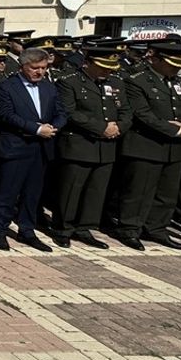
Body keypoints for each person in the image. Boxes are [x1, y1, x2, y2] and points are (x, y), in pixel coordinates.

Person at [114, 42, 181, 250]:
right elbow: (142, 114)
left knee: (166, 193)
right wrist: (175, 130)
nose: (176, 68)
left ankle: (157, 229)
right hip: (146, 145)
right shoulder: (137, 81)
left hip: (175, 147)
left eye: (180, 64)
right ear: (157, 60)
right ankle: (130, 229)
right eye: (171, 63)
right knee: (138, 191)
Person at [0, 48, 68, 252]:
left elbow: (61, 112)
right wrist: (36, 129)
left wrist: (54, 127)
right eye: (35, 68)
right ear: (23, 66)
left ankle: (27, 230)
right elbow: (7, 115)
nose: (39, 72)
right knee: (8, 192)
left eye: (43, 68)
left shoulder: (49, 87)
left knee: (32, 193)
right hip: (17, 147)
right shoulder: (7, 87)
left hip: (42, 148)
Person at [52, 47, 127, 249]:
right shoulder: (70, 82)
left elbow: (126, 111)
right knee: (72, 189)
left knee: (96, 190)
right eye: (103, 67)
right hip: (80, 144)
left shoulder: (116, 83)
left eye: (111, 68)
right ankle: (63, 228)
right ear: (89, 63)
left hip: (106, 147)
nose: (107, 72)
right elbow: (69, 112)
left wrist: (119, 126)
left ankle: (84, 227)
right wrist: (101, 128)